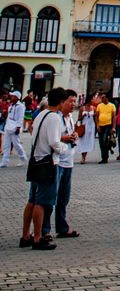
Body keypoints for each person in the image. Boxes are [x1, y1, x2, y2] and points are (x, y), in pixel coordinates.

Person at [20, 86, 70, 251]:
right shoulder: (55, 118)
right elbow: (54, 142)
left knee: (32, 200)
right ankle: (38, 238)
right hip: (47, 164)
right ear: (62, 101)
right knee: (42, 202)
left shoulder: (40, 114)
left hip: (35, 161)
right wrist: (65, 148)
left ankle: (25, 235)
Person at [43, 89, 80, 240]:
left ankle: (62, 227)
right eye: (70, 101)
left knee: (63, 198)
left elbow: (71, 132)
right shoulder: (55, 117)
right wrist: (63, 138)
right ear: (62, 102)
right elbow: (52, 138)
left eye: (74, 101)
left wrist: (75, 135)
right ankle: (44, 230)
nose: (73, 104)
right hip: (57, 162)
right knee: (51, 197)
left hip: (69, 161)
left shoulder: (70, 117)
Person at [1, 91, 27, 167]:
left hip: (15, 127)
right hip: (8, 126)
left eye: (12, 96)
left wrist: (18, 127)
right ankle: (4, 162)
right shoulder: (11, 105)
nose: (11, 97)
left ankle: (22, 158)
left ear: (16, 97)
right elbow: (9, 115)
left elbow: (20, 117)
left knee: (16, 144)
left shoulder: (21, 106)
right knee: (6, 145)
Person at [94, 93, 116, 164]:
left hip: (108, 125)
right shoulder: (99, 106)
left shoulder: (112, 106)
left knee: (104, 140)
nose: (102, 99)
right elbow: (97, 116)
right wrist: (97, 125)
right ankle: (104, 157)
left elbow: (114, 117)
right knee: (101, 142)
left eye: (103, 97)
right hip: (100, 125)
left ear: (107, 98)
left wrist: (113, 127)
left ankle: (105, 156)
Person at [77, 99, 96, 163]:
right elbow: (79, 118)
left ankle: (85, 155)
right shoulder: (82, 108)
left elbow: (95, 118)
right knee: (83, 140)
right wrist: (83, 116)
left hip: (91, 125)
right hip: (84, 125)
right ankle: (83, 156)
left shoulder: (93, 108)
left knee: (88, 140)